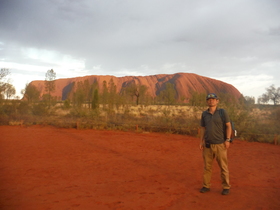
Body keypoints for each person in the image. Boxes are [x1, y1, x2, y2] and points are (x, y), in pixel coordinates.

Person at [199, 93, 232, 195]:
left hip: (220, 145)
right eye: (209, 99)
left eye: (213, 99)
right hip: (208, 145)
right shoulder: (204, 114)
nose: (211, 101)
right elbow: (203, 128)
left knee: (223, 167)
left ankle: (226, 187)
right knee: (207, 167)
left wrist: (227, 140)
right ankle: (206, 186)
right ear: (207, 101)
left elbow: (228, 126)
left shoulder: (222, 112)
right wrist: (201, 141)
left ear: (217, 101)